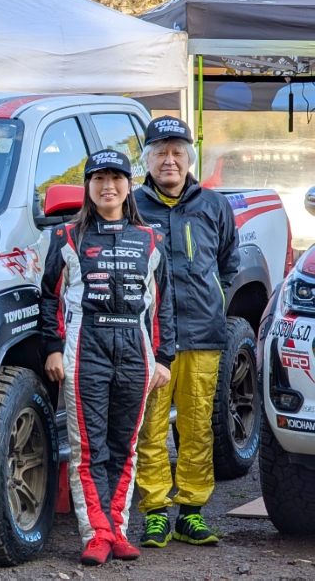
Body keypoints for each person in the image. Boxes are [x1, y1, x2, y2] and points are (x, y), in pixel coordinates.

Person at [41, 149, 175, 566]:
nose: (108, 186)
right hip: (86, 346)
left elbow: (163, 305)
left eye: (116, 178)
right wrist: (53, 348)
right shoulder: (67, 237)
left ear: (129, 185)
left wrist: (164, 358)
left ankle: (117, 530)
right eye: (98, 178)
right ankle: (96, 533)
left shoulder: (151, 239)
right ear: (88, 186)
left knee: (125, 446)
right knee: (88, 448)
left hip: (135, 348)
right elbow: (49, 297)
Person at [134, 116, 240, 548]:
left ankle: (191, 513)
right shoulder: (133, 207)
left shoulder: (213, 205)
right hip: (151, 340)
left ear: (189, 159)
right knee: (151, 428)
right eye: (160, 152)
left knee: (198, 427)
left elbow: (229, 262)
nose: (170, 160)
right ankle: (156, 512)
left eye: (177, 152)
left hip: (202, 336)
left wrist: (212, 297)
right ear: (147, 159)